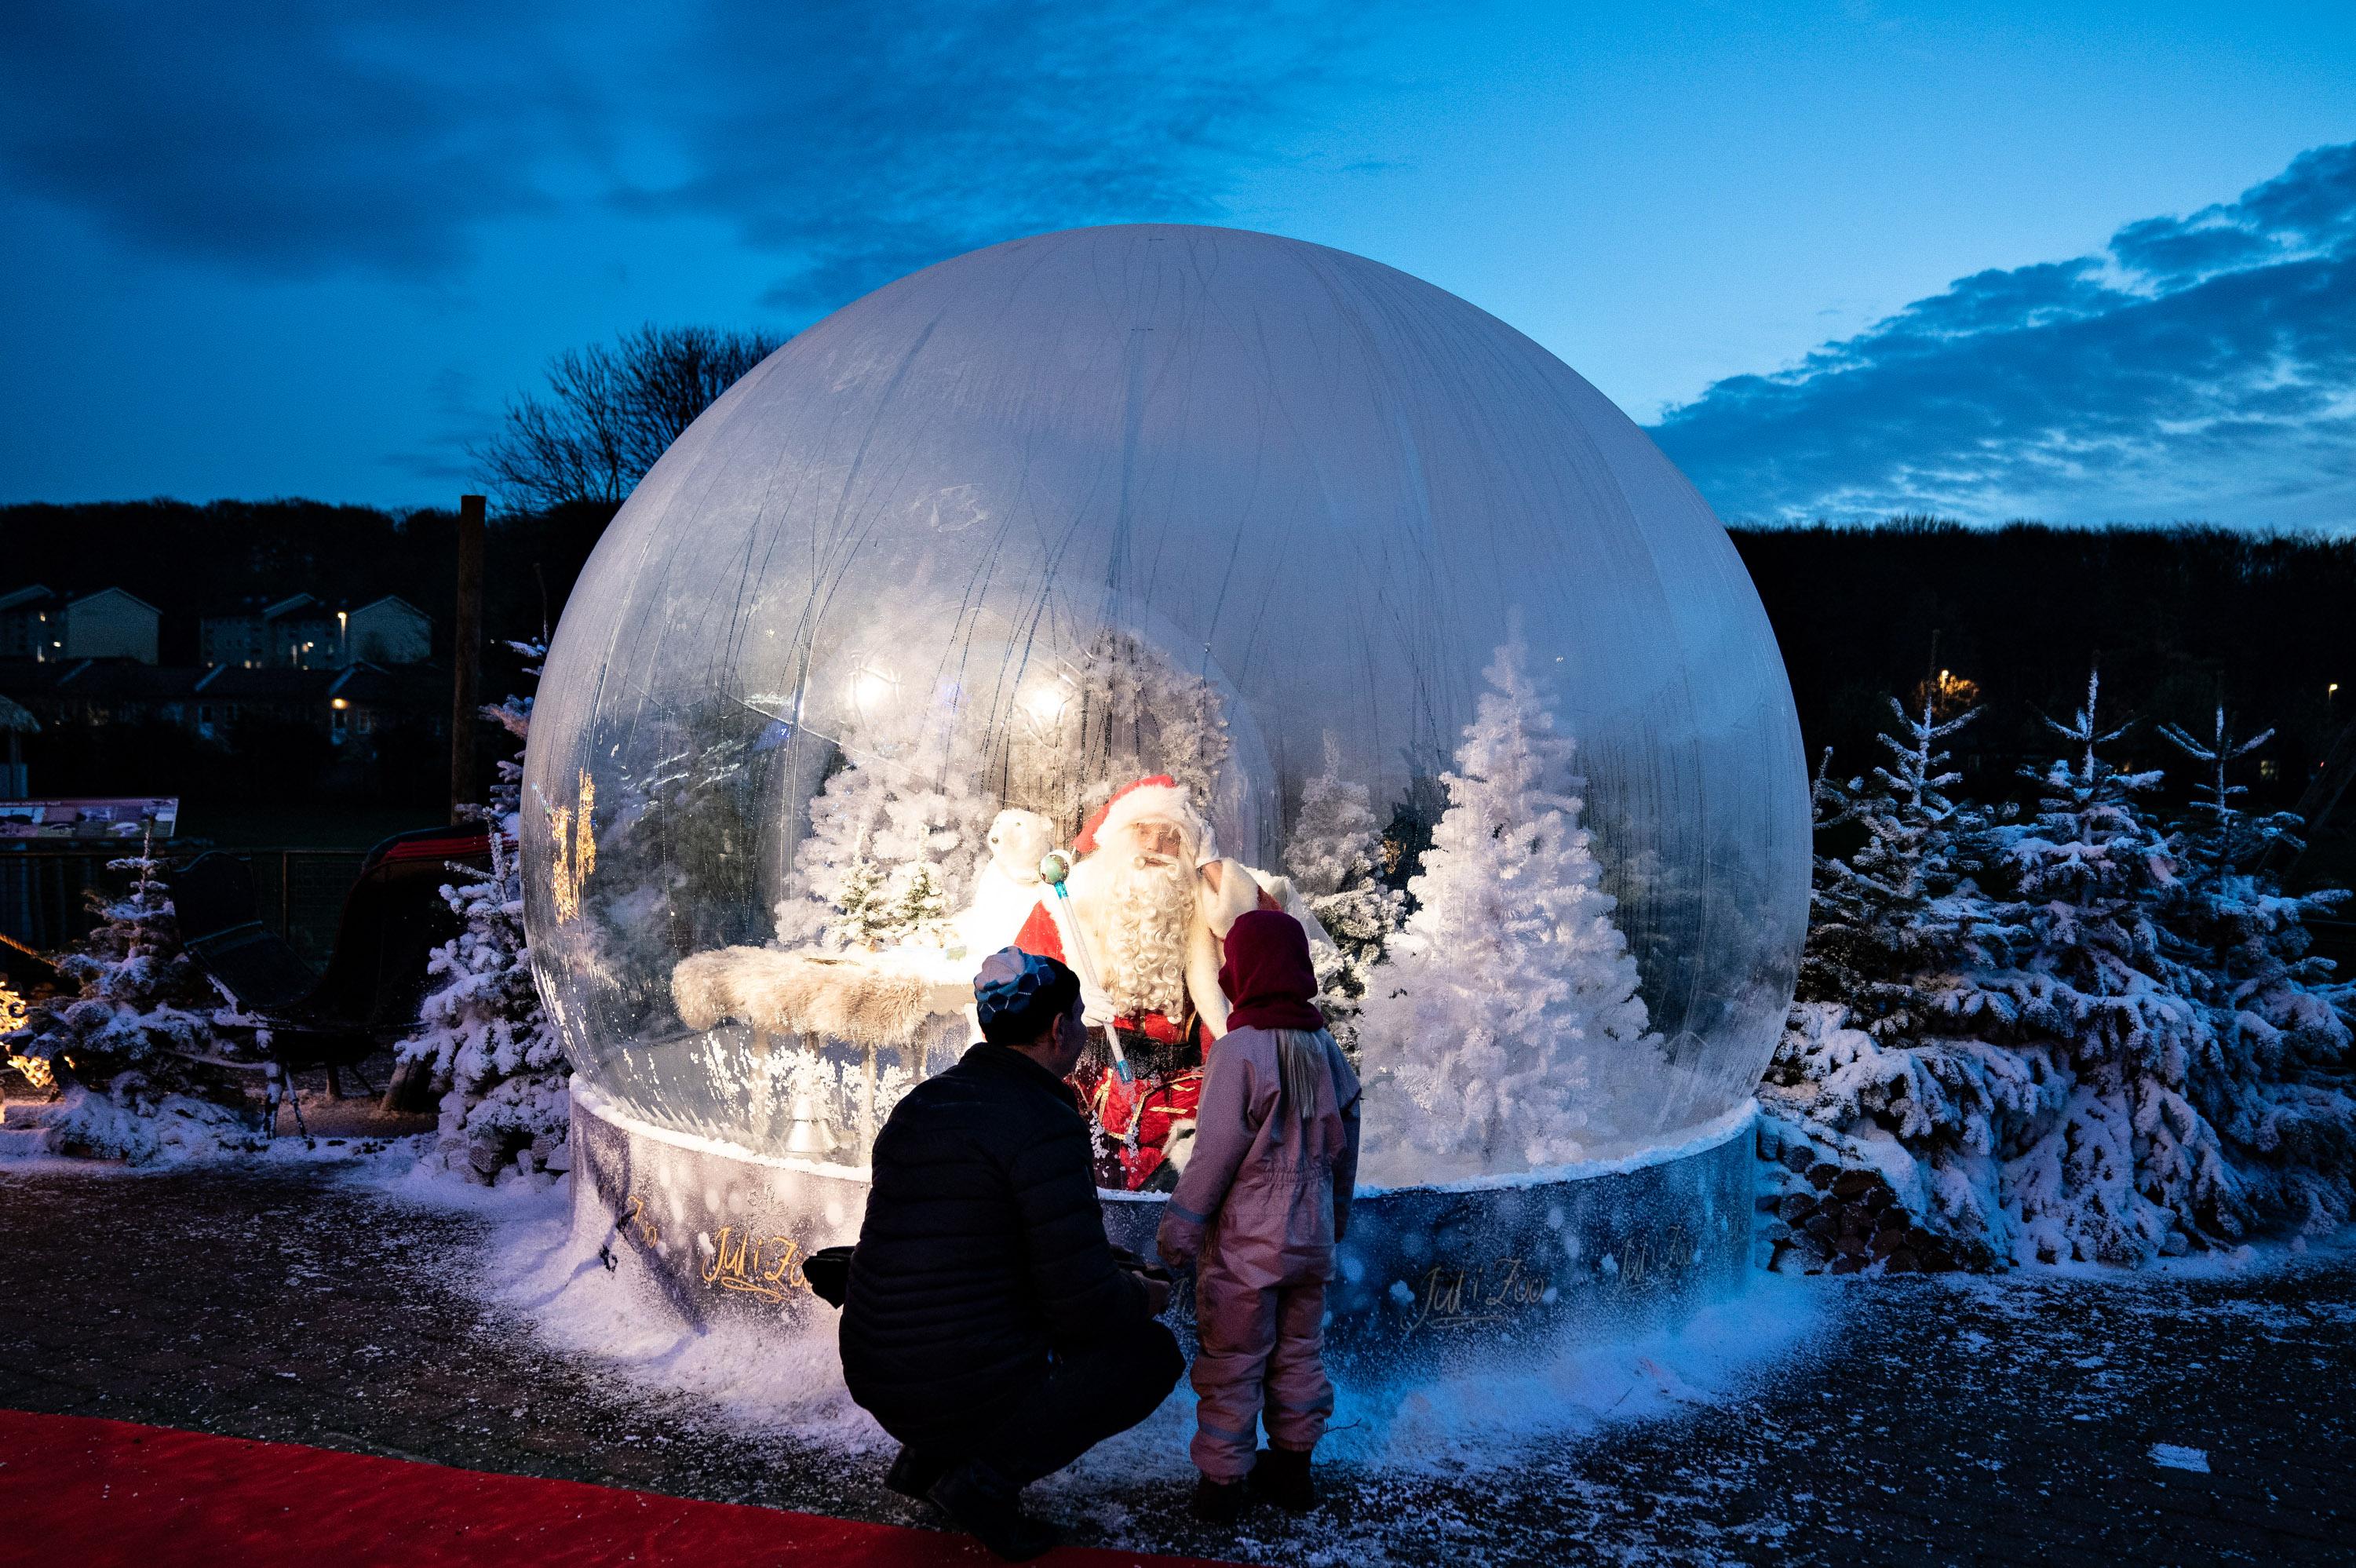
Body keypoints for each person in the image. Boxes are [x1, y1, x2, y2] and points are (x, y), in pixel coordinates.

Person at [839, 948, 1185, 1561]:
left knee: (973, 1320)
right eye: (1079, 1018)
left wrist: (1111, 1267)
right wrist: (1144, 1293)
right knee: (1150, 1357)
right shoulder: (1043, 1120)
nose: (1082, 1031)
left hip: (877, 1368)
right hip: (953, 1377)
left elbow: (975, 1240)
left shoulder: (925, 1101)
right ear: (1059, 1030)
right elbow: (1082, 1305)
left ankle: (927, 1459)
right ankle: (982, 1483)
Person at [1154, 909, 1362, 1522]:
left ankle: (1220, 1487)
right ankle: (1294, 1473)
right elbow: (1347, 1148)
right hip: (1311, 1240)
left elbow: (1214, 1152)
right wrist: (1337, 1220)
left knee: (1234, 1361)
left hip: (1249, 1242)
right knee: (1300, 1353)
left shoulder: (1239, 1050)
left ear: (1240, 971)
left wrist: (1180, 1229)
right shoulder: (1325, 1048)